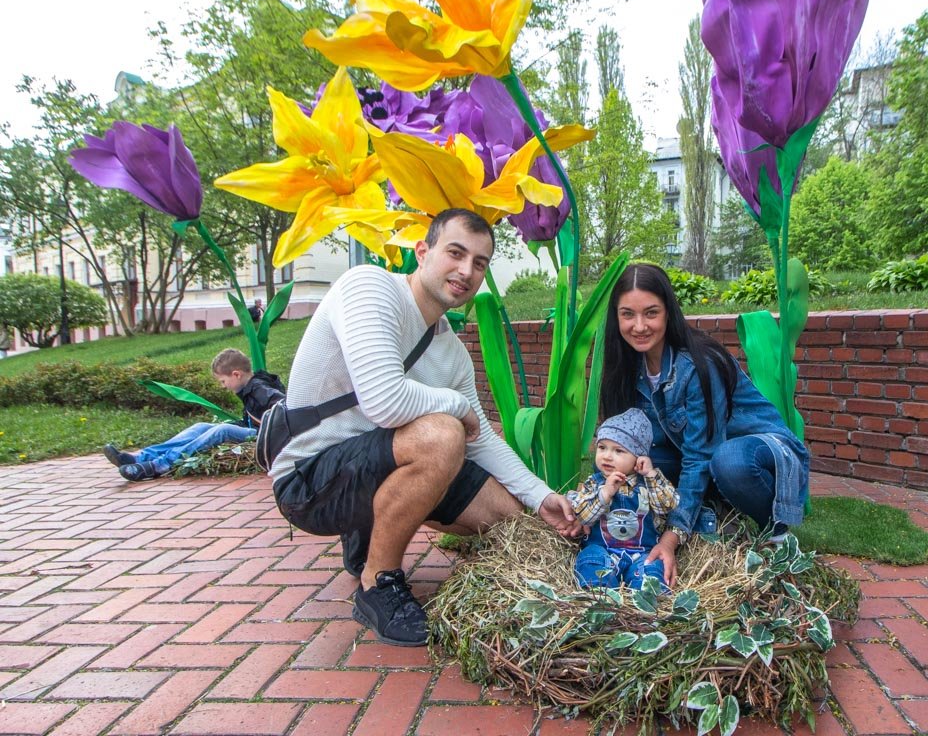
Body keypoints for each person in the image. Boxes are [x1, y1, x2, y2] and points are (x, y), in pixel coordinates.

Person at [270, 209, 577, 648]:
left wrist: (542, 497)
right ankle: (379, 585)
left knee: (507, 517)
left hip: (376, 460)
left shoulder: (450, 351)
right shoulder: (369, 287)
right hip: (309, 479)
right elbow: (385, 400)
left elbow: (482, 440)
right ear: (423, 251)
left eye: (479, 263)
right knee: (443, 435)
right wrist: (457, 409)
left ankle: (368, 530)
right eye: (455, 253)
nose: (465, 270)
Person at [600, 263, 810, 588]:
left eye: (651, 313)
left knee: (728, 461)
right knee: (639, 461)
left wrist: (671, 538)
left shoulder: (697, 365)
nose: (639, 326)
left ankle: (775, 533)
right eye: (628, 314)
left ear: (668, 312)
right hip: (703, 455)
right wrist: (596, 505)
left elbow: (700, 456)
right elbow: (626, 446)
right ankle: (716, 512)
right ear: (616, 317)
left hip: (759, 452)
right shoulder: (627, 367)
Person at [105, 348, 285, 482]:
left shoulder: (260, 389)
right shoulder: (249, 387)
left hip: (265, 435)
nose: (223, 386)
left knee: (222, 430)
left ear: (236, 374)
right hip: (252, 428)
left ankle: (159, 465)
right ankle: (141, 457)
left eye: (223, 381)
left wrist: (270, 425)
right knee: (201, 427)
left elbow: (285, 405)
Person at [567, 408, 679, 591]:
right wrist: (605, 493)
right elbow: (583, 516)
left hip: (643, 553)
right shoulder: (594, 484)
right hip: (603, 551)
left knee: (651, 572)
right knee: (590, 562)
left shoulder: (649, 484)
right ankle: (599, 595)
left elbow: (667, 506)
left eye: (619, 450)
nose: (607, 456)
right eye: (602, 447)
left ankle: (646, 597)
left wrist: (651, 475)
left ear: (639, 457)